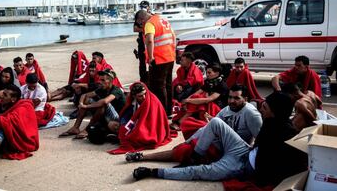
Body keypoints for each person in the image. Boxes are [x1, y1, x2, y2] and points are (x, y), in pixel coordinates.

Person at [131, 92, 307, 187]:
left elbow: (295, 163)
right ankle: (194, 156)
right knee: (213, 123)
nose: (262, 110)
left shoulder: (287, 136)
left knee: (198, 172)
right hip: (245, 151)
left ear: (277, 112)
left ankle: (152, 172)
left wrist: (254, 175)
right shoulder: (271, 122)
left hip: (243, 168)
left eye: (266, 108)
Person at [125, 84, 262, 164]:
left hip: (232, 149)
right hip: (219, 142)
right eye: (230, 97)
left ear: (245, 99)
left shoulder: (251, 113)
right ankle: (145, 156)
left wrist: (249, 160)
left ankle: (143, 157)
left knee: (184, 151)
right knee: (191, 134)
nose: (232, 101)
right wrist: (190, 140)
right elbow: (211, 126)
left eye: (236, 98)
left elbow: (261, 139)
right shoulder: (228, 109)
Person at [59, 69, 125, 139]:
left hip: (118, 119)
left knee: (102, 104)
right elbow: (85, 95)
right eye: (100, 80)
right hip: (107, 117)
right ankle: (75, 127)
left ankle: (87, 129)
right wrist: (81, 104)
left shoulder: (116, 90)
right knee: (87, 100)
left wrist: (86, 106)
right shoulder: (102, 89)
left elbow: (105, 101)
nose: (100, 82)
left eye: (103, 80)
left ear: (110, 81)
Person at [108, 82, 172, 154]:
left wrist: (132, 129)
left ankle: (120, 138)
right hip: (136, 124)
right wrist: (124, 125)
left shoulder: (153, 101)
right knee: (112, 125)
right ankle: (121, 136)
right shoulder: (132, 102)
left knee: (138, 136)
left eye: (145, 94)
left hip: (151, 129)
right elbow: (127, 115)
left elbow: (152, 123)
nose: (144, 97)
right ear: (134, 96)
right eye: (140, 96)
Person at [135, 9, 176, 116]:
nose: (141, 25)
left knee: (157, 86)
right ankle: (168, 110)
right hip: (170, 56)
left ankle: (161, 112)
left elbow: (149, 40)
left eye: (140, 23)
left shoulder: (150, 23)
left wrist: (151, 57)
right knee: (168, 84)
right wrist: (173, 50)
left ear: (141, 19)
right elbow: (173, 36)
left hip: (159, 59)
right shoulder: (162, 19)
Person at [171, 63, 228, 137]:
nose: (207, 74)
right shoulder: (209, 82)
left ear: (216, 73)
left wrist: (189, 101)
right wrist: (187, 100)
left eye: (209, 72)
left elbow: (209, 99)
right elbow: (197, 92)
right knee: (195, 97)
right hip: (208, 105)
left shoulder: (222, 85)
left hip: (217, 108)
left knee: (199, 100)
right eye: (207, 72)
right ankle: (181, 120)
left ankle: (179, 122)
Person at [133, 1, 151, 83]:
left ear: (148, 7)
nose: (143, 8)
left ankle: (151, 77)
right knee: (142, 61)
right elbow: (135, 29)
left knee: (151, 61)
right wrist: (146, 30)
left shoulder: (151, 16)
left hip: (150, 42)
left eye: (144, 6)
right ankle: (143, 78)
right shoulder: (139, 16)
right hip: (141, 42)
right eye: (141, 6)